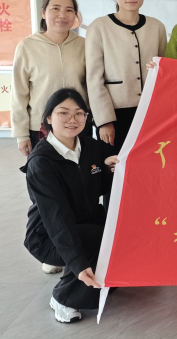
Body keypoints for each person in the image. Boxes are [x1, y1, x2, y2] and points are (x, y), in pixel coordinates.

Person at [21, 88, 119, 323]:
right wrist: (77, 263)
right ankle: (63, 297)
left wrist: (109, 169)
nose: (72, 119)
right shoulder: (41, 162)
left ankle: (94, 279)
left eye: (79, 113)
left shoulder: (91, 147)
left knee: (119, 235)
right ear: (48, 118)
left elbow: (98, 187)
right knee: (99, 239)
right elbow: (56, 216)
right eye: (63, 113)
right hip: (49, 236)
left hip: (86, 223)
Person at [85, 0, 167, 203]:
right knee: (115, 173)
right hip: (115, 116)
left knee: (148, 170)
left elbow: (165, 72)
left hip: (149, 115)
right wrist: (104, 121)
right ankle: (114, 222)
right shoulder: (99, 27)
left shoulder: (156, 27)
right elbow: (94, 78)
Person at [12, 0, 89, 160]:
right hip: (41, 128)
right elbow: (19, 95)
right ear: (43, 13)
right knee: (44, 173)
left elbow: (93, 86)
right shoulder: (27, 47)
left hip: (77, 126)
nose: (62, 15)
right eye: (55, 8)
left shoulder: (85, 45)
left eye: (69, 10)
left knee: (79, 173)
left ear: (75, 15)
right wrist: (21, 135)